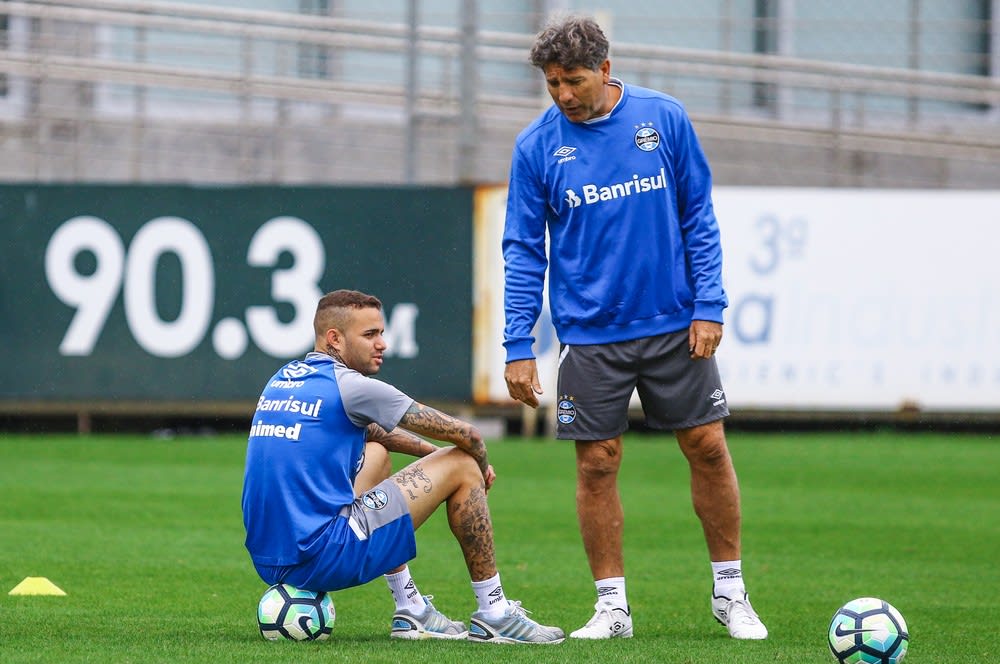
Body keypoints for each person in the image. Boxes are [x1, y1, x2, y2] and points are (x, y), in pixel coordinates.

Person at [501, 15, 768, 641]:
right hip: (590, 335)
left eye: (572, 81)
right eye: (551, 84)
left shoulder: (664, 118)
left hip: (677, 325)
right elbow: (522, 249)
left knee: (707, 447)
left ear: (606, 71)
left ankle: (731, 593)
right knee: (598, 462)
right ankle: (611, 608)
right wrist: (518, 344)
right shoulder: (536, 147)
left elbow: (698, 215)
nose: (563, 95)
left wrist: (710, 304)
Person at [242, 289, 564, 645]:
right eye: (370, 335)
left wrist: (430, 454)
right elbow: (470, 435)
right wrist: (476, 466)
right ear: (334, 338)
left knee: (377, 451)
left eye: (381, 332)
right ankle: (495, 613)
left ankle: (410, 608)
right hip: (323, 555)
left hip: (269, 559)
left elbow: (375, 431)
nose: (382, 343)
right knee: (462, 464)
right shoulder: (352, 386)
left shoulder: (284, 378)